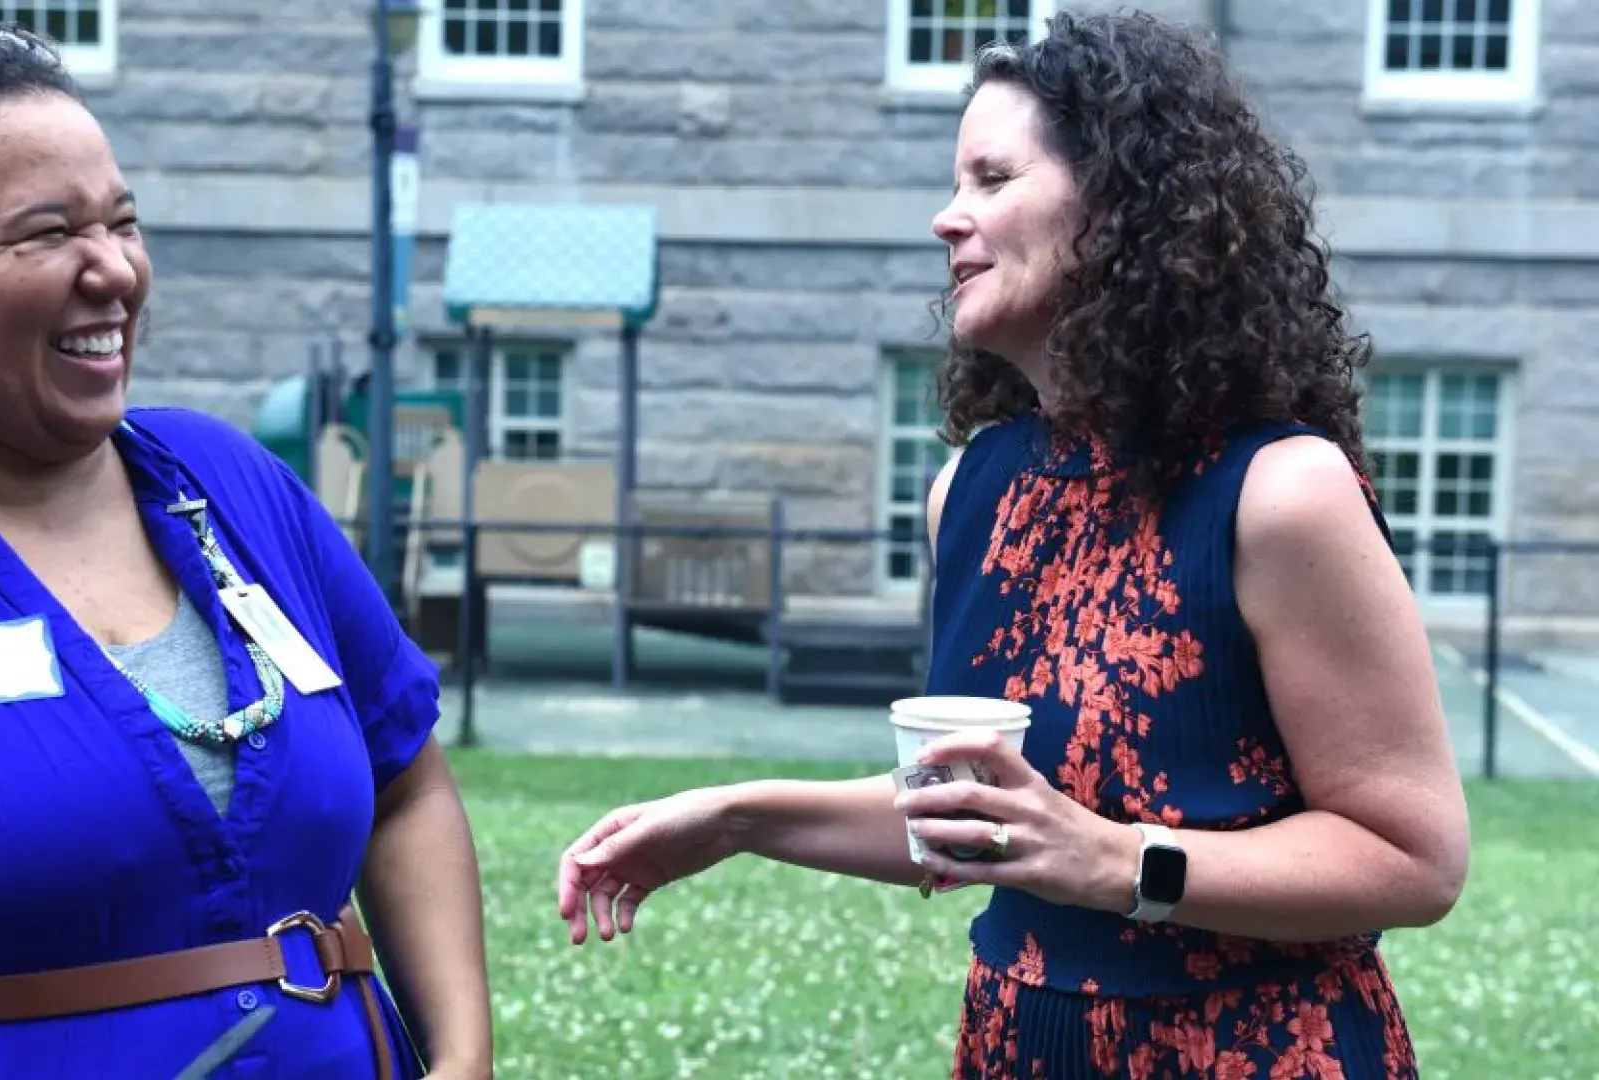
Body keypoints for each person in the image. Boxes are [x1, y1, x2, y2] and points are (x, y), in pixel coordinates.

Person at [556, 11, 1470, 1079]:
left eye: (992, 179)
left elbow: (1414, 859)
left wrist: (1118, 862)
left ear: (1125, 209)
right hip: (1018, 1042)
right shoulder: (973, 493)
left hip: (1254, 1047)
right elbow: (976, 821)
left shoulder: (1279, 494)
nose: (949, 219)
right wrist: (734, 818)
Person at [0, 10, 492, 1080]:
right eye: (47, 233)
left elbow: (407, 787)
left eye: (123, 222)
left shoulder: (232, 483)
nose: (112, 270)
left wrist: (462, 1059)